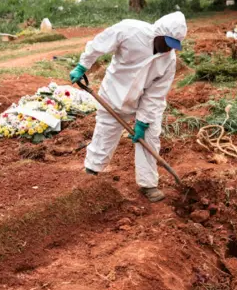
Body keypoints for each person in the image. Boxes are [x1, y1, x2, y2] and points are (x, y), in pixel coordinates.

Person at [70, 12, 187, 202]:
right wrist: (83, 65)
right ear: (158, 33)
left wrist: (143, 122)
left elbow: (155, 95)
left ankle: (148, 184)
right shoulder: (130, 31)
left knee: (150, 137)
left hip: (143, 102)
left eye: (172, 46)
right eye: (166, 43)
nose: (167, 49)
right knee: (105, 132)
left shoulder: (169, 60)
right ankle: (91, 171)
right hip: (114, 95)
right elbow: (100, 43)